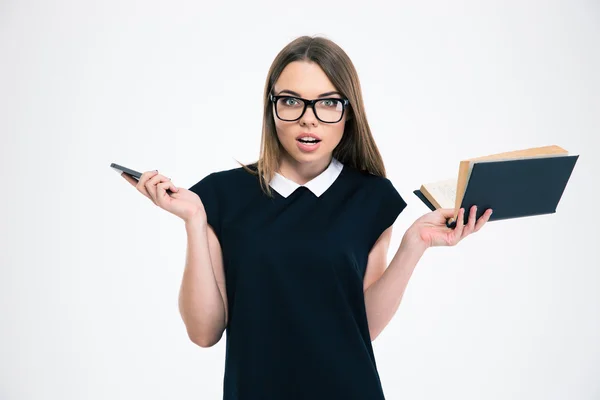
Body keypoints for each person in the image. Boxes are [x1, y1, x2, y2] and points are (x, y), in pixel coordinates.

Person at [122, 35, 492, 400]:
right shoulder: (220, 197)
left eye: (327, 103)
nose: (308, 120)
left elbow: (362, 328)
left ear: (348, 110)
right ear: (271, 107)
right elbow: (204, 333)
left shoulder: (371, 197)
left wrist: (415, 245)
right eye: (291, 101)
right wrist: (194, 221)